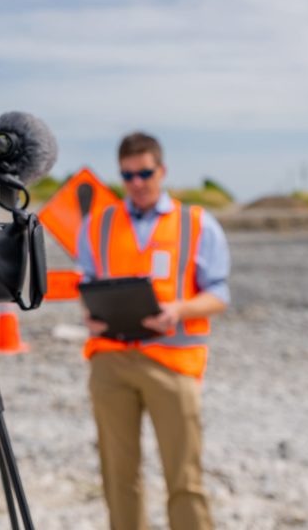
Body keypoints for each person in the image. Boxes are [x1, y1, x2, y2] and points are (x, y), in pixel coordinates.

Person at [77, 132, 230, 530]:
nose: (137, 183)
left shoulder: (197, 224)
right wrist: (91, 314)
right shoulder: (98, 224)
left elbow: (219, 293)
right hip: (110, 360)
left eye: (145, 172)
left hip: (173, 363)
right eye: (128, 175)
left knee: (185, 477)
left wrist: (178, 309)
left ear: (161, 170)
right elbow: (88, 282)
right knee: (118, 477)